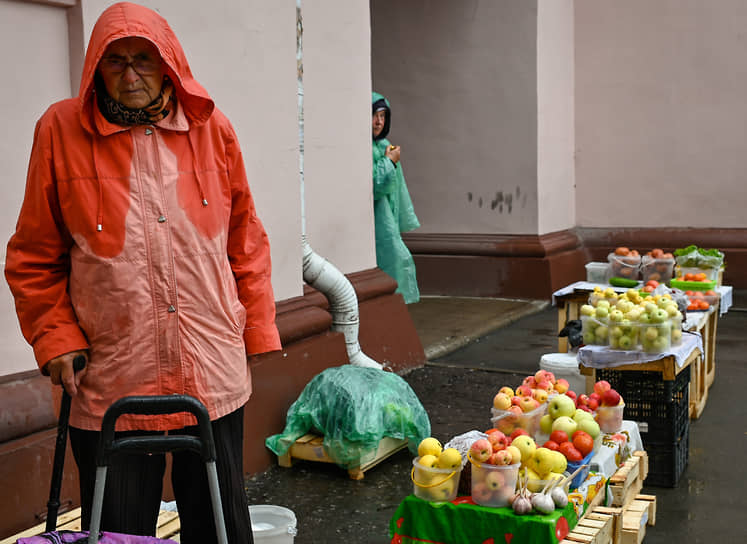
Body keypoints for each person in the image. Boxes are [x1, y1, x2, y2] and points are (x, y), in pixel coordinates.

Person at [4, 3, 281, 543]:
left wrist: (257, 328)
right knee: (118, 528)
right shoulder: (60, 131)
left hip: (209, 368)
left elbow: (245, 236)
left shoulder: (212, 127)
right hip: (112, 374)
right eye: (115, 62)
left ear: (169, 65)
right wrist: (55, 338)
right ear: (95, 70)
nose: (130, 75)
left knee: (220, 525)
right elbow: (34, 255)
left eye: (143, 61)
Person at [371, 92, 421, 304]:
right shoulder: (371, 149)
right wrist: (389, 162)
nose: (379, 121)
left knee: (398, 259)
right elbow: (373, 184)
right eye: (374, 115)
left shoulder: (384, 146)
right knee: (396, 258)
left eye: (383, 116)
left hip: (385, 216)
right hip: (376, 219)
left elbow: (397, 189)